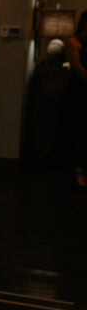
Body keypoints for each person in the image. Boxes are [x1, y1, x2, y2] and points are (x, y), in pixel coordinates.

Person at [59, 11, 87, 188]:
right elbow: (76, 67)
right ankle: (78, 171)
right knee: (79, 129)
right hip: (79, 90)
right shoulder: (74, 42)